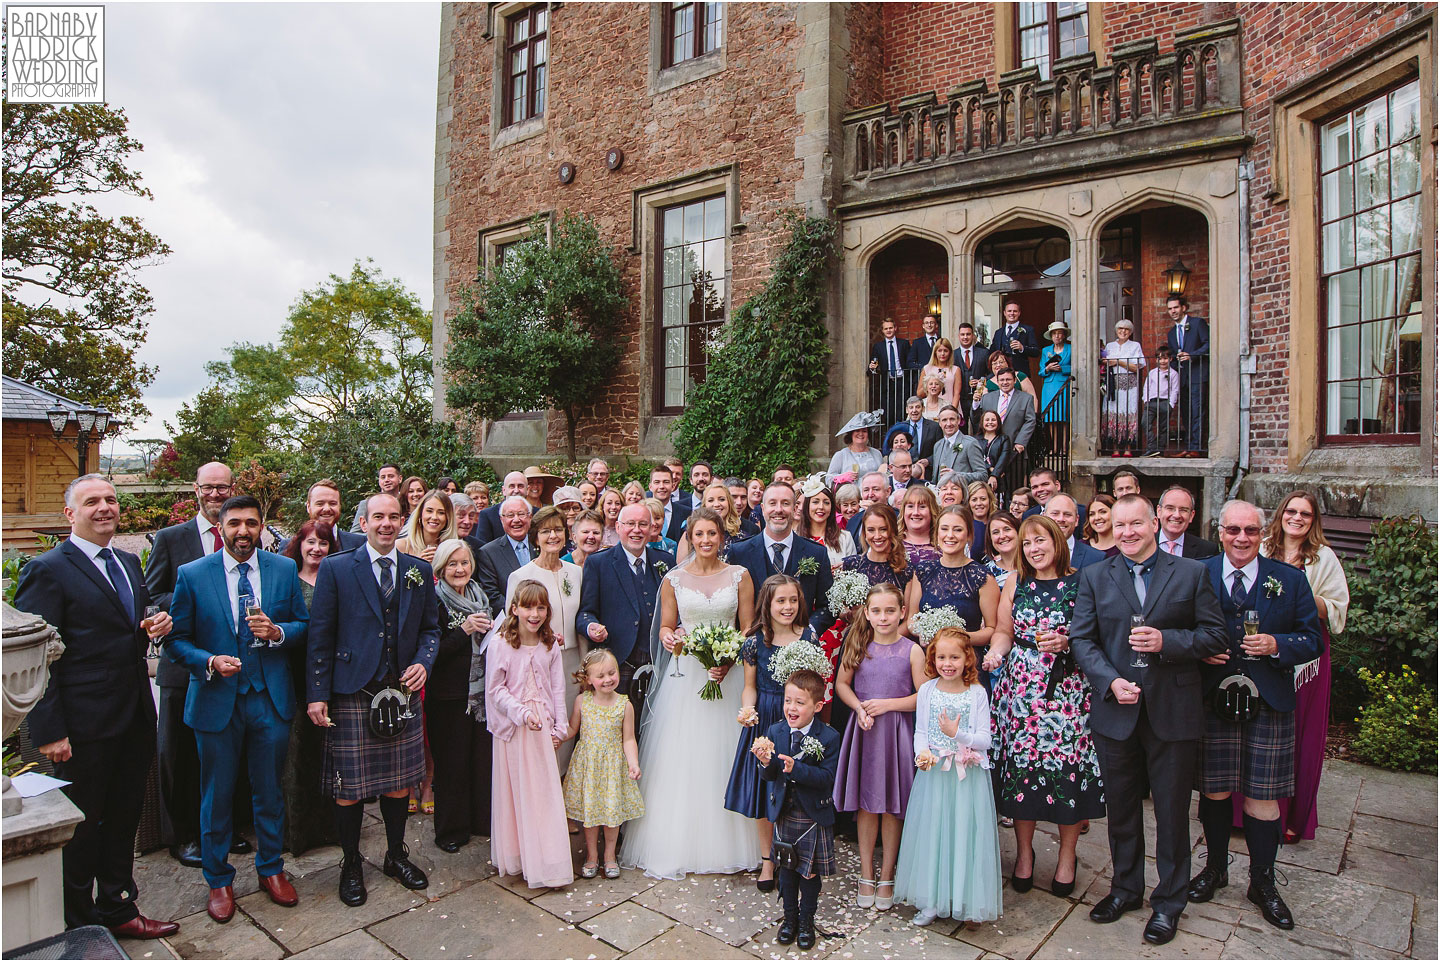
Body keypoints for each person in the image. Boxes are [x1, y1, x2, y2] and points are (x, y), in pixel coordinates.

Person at [14, 474, 178, 939]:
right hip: (82, 726)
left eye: (110, 499)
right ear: (70, 514)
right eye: (92, 502)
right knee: (81, 826)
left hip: (134, 716)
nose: (105, 507)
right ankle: (79, 924)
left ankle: (118, 907)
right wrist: (49, 730)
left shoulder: (128, 561)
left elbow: (127, 627)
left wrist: (153, 624)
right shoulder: (47, 569)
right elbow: (36, 656)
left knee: (125, 817)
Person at [1068, 494, 1227, 945]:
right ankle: (1125, 889)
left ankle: (1169, 902)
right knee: (1120, 810)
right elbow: (1082, 640)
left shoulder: (1193, 573)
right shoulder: (1096, 576)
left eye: (1135, 524)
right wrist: (1109, 682)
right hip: (1115, 711)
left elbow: (1215, 634)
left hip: (1172, 711)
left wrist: (1168, 641)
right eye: (1119, 526)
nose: (1127, 533)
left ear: (1154, 523)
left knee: (1173, 814)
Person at [164, 494, 309, 923]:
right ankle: (219, 880)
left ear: (262, 526)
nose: (243, 532)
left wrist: (278, 631)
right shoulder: (192, 574)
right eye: (234, 524)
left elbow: (303, 625)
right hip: (216, 700)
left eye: (251, 523)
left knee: (269, 791)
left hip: (270, 697)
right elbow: (175, 640)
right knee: (217, 794)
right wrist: (208, 661)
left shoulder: (282, 569)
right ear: (220, 526)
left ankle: (271, 869)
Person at [1189, 501, 1320, 931]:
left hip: (1267, 700)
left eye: (1249, 530)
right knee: (1215, 791)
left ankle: (1262, 882)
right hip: (1213, 699)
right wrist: (1198, 650)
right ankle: (1215, 869)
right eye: (1232, 530)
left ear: (1261, 533)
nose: (1241, 538)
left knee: (1263, 797)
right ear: (1220, 531)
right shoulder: (1196, 573)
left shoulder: (1290, 579)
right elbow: (1177, 630)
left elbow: (1312, 639)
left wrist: (1278, 645)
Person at [306, 493, 439, 907]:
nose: (386, 523)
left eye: (393, 516)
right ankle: (350, 863)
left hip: (400, 691)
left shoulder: (418, 570)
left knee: (399, 783)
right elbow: (320, 636)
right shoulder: (337, 567)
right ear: (362, 523)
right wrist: (317, 695)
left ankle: (395, 855)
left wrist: (424, 662)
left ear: (403, 522)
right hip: (352, 689)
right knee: (348, 788)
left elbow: (431, 630)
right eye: (377, 516)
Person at [622, 508, 759, 879]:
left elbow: (748, 628)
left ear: (721, 536)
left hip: (726, 676)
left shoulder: (739, 576)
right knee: (684, 756)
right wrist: (670, 637)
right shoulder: (674, 580)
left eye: (712, 534)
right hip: (686, 680)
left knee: (726, 751)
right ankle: (680, 841)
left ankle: (735, 838)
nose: (706, 541)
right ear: (690, 537)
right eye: (699, 534)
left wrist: (729, 660)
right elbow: (667, 626)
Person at [985, 515, 1104, 899]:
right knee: (1022, 774)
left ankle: (1067, 857)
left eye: (1041, 541)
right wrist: (994, 655)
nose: (1034, 549)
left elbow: (1094, 634)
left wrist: (1068, 642)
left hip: (1066, 690)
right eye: (1028, 543)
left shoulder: (1081, 581)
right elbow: (1004, 630)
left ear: (1057, 541)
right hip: (1020, 690)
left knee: (1068, 773)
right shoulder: (1017, 581)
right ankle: (1024, 855)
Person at [144, 461, 239, 868]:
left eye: (223, 488)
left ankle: (223, 829)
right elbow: (150, 593)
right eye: (208, 488)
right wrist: (195, 602)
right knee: (179, 754)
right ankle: (182, 836)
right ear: (195, 489)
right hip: (184, 665)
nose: (216, 494)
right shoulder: (171, 538)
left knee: (225, 754)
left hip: (233, 665)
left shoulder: (242, 535)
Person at [1256, 491, 1349, 844]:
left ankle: (1292, 817)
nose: (1297, 518)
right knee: (1257, 726)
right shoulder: (1263, 547)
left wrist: (1299, 592)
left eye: (1305, 514)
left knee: (1300, 733)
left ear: (1313, 521)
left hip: (1307, 656)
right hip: (1263, 643)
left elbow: (1338, 608)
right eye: (1291, 511)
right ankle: (1247, 812)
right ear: (1281, 514)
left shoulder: (1323, 557)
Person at [894, 628, 1001, 927]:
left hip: (967, 778)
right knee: (934, 833)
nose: (947, 663)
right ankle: (931, 900)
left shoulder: (976, 693)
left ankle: (966, 900)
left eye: (954, 657)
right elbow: (921, 731)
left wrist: (959, 735)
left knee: (964, 833)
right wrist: (921, 754)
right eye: (941, 657)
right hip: (934, 775)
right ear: (933, 658)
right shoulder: (928, 690)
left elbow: (986, 739)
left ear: (968, 658)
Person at [832, 582, 926, 911]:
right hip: (865, 732)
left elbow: (923, 696)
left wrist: (888, 705)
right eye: (876, 611)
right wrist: (858, 707)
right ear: (866, 614)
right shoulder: (858, 644)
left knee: (892, 804)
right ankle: (865, 871)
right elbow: (842, 684)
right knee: (867, 804)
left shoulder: (912, 650)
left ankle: (887, 873)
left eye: (890, 611)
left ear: (902, 612)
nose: (883, 617)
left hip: (897, 732)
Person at [725, 575, 818, 892]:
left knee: (796, 791)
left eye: (793, 600)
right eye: (781, 601)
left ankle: (795, 856)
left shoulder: (808, 637)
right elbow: (749, 688)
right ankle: (767, 859)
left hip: (798, 718)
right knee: (765, 793)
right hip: (765, 718)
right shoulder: (754, 642)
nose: (788, 606)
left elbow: (815, 685)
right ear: (768, 603)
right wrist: (747, 711)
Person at [486, 580, 573, 889]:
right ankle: (521, 855)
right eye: (527, 607)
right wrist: (521, 712)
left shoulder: (549, 645)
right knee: (517, 791)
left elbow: (558, 686)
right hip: (515, 727)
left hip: (542, 727)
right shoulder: (501, 644)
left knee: (544, 792)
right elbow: (495, 689)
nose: (534, 614)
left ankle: (548, 858)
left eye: (540, 607)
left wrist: (560, 726)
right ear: (514, 609)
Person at [752, 669, 842, 950]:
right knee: (787, 871)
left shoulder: (828, 737)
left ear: (817, 706)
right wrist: (766, 763)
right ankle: (789, 919)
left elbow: (827, 779)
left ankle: (806, 920)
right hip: (784, 814)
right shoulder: (775, 731)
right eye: (788, 700)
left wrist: (797, 768)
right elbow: (768, 778)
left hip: (813, 815)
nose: (791, 707)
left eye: (799, 703)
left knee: (809, 873)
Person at [504, 505, 584, 768]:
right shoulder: (521, 576)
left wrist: (585, 665)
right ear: (535, 536)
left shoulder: (576, 573)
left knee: (567, 729)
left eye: (558, 530)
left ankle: (563, 790)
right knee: (542, 727)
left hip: (572, 663)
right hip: (535, 665)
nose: (553, 536)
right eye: (546, 531)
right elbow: (511, 627)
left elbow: (582, 619)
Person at [279, 520, 340, 856]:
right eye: (311, 542)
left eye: (324, 543)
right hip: (294, 675)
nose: (317, 549)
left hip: (331, 677)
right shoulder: (288, 579)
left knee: (328, 755)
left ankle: (330, 827)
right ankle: (296, 834)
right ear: (299, 544)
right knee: (295, 755)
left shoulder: (336, 579)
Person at [576, 503, 675, 710]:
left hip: (659, 663)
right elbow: (586, 612)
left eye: (642, 524)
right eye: (630, 524)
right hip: (618, 664)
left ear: (651, 528)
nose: (637, 530)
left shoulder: (666, 562)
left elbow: (676, 609)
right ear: (618, 527)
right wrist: (591, 627)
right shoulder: (598, 563)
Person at [430, 539, 494, 853]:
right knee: (452, 764)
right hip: (449, 694)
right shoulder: (433, 600)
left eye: (464, 563)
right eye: (452, 564)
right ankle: (450, 830)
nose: (460, 569)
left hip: (481, 694)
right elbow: (432, 652)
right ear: (441, 568)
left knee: (481, 759)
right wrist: (464, 631)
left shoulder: (479, 596)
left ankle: (481, 820)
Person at [562, 649, 644, 880]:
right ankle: (591, 856)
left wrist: (633, 763)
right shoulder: (582, 701)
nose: (608, 679)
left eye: (612, 673)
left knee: (611, 814)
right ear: (588, 679)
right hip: (588, 766)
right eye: (601, 676)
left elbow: (628, 738)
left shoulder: (624, 705)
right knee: (590, 815)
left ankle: (609, 855)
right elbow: (572, 729)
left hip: (612, 768)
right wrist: (558, 736)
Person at [728, 482, 834, 633]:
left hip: (799, 649)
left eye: (785, 503)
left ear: (795, 509)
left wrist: (807, 632)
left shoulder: (817, 553)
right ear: (763, 509)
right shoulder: (739, 552)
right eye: (772, 503)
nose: (779, 510)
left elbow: (827, 606)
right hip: (755, 647)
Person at [906, 505, 998, 663]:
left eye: (957, 530)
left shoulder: (982, 576)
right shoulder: (923, 571)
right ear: (936, 533)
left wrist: (956, 638)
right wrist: (925, 632)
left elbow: (992, 630)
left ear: (969, 534)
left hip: (966, 663)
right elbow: (911, 619)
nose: (950, 535)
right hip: (929, 660)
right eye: (944, 529)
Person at [1165, 294, 1210, 455]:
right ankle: (1189, 447)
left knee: (1197, 411)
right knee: (1186, 414)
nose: (1173, 311)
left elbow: (1208, 344)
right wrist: (1173, 365)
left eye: (1176, 307)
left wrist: (1192, 355)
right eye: (1170, 309)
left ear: (1184, 308)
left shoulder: (1197, 324)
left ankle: (1196, 448)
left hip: (1198, 375)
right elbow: (1172, 355)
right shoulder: (1171, 333)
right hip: (1183, 378)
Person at [475, 496, 534, 607]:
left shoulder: (541, 544)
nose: (516, 520)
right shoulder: (488, 553)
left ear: (530, 517)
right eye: (510, 515)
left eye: (521, 514)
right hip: (510, 619)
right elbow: (492, 595)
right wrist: (519, 614)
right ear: (502, 520)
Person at [281, 479, 366, 553]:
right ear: (308, 507)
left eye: (332, 503)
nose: (326, 509)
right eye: (320, 503)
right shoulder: (288, 546)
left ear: (340, 506)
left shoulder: (359, 544)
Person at [1101, 318, 1146, 456]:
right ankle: (1115, 448)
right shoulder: (1109, 346)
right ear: (1116, 330)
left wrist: (1119, 362)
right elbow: (1104, 363)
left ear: (1130, 332)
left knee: (1127, 412)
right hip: (1113, 383)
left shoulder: (1135, 345)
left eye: (1126, 329)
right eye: (1120, 328)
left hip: (1129, 385)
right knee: (1113, 412)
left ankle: (1127, 448)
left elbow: (1136, 367)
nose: (1123, 331)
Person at [842, 504, 911, 592]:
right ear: (864, 533)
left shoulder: (905, 569)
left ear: (893, 530)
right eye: (871, 530)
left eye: (883, 529)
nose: (877, 536)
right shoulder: (851, 564)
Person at [973, 368, 1036, 460]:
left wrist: (1021, 441)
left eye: (1008, 379)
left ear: (1014, 381)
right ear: (997, 382)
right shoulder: (986, 398)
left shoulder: (1026, 398)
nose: (1005, 382)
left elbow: (1030, 421)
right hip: (990, 449)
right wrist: (975, 403)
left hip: (1014, 448)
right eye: (1002, 380)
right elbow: (976, 419)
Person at [798, 477, 857, 570]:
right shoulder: (795, 537)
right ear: (807, 506)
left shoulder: (845, 538)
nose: (821, 507)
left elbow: (853, 571)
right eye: (816, 502)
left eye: (826, 503)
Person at [930, 406, 987, 487]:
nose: (948, 424)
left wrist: (957, 475)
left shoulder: (970, 443)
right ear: (939, 423)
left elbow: (983, 475)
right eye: (944, 420)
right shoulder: (937, 446)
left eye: (952, 419)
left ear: (959, 420)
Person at [869, 318, 912, 426]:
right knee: (888, 413)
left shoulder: (904, 344)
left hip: (902, 382)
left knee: (902, 411)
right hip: (887, 383)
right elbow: (873, 364)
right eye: (886, 328)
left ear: (895, 328)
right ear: (882, 331)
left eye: (890, 328)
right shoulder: (878, 346)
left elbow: (910, 362)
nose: (888, 330)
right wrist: (871, 367)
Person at [1045, 494, 1106, 570]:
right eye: (1055, 513)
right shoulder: (1031, 555)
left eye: (1067, 514)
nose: (1061, 519)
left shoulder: (1096, 558)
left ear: (1076, 520)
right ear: (1044, 516)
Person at [396, 489, 457, 563]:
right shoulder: (401, 546)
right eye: (429, 511)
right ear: (420, 514)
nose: (434, 517)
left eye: (441, 512)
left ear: (448, 518)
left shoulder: (454, 549)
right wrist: (419, 565)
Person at [1157, 485, 1218, 559]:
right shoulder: (1143, 544)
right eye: (1170, 508)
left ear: (1191, 515)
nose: (1177, 515)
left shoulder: (1207, 550)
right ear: (1159, 511)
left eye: (1183, 510)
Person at [1039, 320, 1072, 451]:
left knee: (1063, 417)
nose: (1057, 336)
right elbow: (1040, 371)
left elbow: (1078, 367)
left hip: (1063, 385)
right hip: (1049, 387)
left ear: (1064, 335)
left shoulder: (1070, 348)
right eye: (1054, 334)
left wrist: (1062, 368)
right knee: (1051, 418)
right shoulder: (1045, 350)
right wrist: (1047, 368)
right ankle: (1054, 447)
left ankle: (1064, 447)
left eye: (1059, 333)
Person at [1142, 345, 1181, 455]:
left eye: (1165, 358)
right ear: (1156, 360)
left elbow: (1175, 390)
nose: (1162, 361)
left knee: (1163, 428)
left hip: (1165, 402)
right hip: (1152, 402)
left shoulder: (1173, 374)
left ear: (1170, 359)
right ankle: (1152, 447)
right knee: (1145, 423)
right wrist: (1146, 400)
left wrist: (1171, 404)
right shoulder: (1152, 373)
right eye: (1160, 358)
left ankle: (1160, 450)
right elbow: (1147, 387)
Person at [884, 396, 942, 466]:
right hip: (903, 468)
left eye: (917, 407)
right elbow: (891, 451)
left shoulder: (935, 427)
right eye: (911, 408)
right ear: (906, 410)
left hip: (926, 471)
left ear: (923, 409)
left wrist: (928, 461)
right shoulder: (899, 427)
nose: (914, 410)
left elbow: (940, 451)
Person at [474, 472, 530, 543]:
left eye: (520, 486)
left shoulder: (537, 513)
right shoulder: (488, 515)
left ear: (527, 490)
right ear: (504, 490)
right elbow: (482, 548)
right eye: (512, 486)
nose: (516, 490)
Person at [989, 299, 1041, 376]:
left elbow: (1036, 352)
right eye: (1009, 311)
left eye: (1015, 311)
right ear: (1004, 313)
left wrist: (1022, 348)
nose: (1012, 313)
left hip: (1020, 373)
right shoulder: (998, 332)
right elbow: (992, 352)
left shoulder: (1028, 330)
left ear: (1019, 313)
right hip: (1001, 374)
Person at [350, 463, 403, 532]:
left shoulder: (407, 501)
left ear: (400, 479)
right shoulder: (366, 504)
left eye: (391, 476)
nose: (386, 480)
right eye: (383, 477)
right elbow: (355, 533)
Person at [647, 465, 690, 543]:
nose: (662, 486)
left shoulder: (686, 513)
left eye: (666, 482)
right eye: (657, 482)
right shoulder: (643, 512)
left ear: (673, 486)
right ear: (650, 487)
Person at [900, 485, 941, 564]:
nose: (915, 512)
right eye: (910, 506)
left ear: (932, 510)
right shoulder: (892, 543)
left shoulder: (943, 544)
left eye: (922, 507)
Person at [845, 472, 890, 541]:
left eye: (876, 489)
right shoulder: (853, 520)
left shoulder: (898, 517)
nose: (870, 494)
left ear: (887, 492)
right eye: (866, 490)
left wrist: (875, 512)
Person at [984, 513, 1023, 590]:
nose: (1002, 536)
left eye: (1007, 529)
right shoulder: (984, 574)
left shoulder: (1034, 566)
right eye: (995, 532)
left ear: (1018, 532)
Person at [975, 410, 1011, 488]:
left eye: (993, 420)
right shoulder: (975, 440)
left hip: (999, 477)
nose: (990, 422)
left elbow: (1003, 458)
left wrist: (994, 474)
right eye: (987, 420)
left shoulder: (1004, 439)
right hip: (979, 478)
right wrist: (989, 468)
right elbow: (975, 458)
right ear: (982, 422)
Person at [953, 321, 990, 397]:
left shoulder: (984, 353)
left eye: (968, 334)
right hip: (959, 398)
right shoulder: (952, 355)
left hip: (980, 396)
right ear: (958, 336)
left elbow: (992, 373)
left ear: (973, 336)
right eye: (962, 334)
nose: (965, 337)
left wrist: (982, 381)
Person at [921, 337, 960, 408]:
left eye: (945, 351)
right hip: (932, 407)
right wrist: (932, 384)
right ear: (935, 352)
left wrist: (952, 410)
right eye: (939, 350)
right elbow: (919, 392)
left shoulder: (955, 369)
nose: (942, 353)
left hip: (951, 405)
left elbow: (957, 394)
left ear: (950, 352)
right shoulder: (927, 368)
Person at [966, 482, 995, 563]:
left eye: (983, 499)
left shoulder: (997, 523)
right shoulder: (964, 526)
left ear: (990, 500)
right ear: (968, 502)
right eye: (974, 500)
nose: (979, 503)